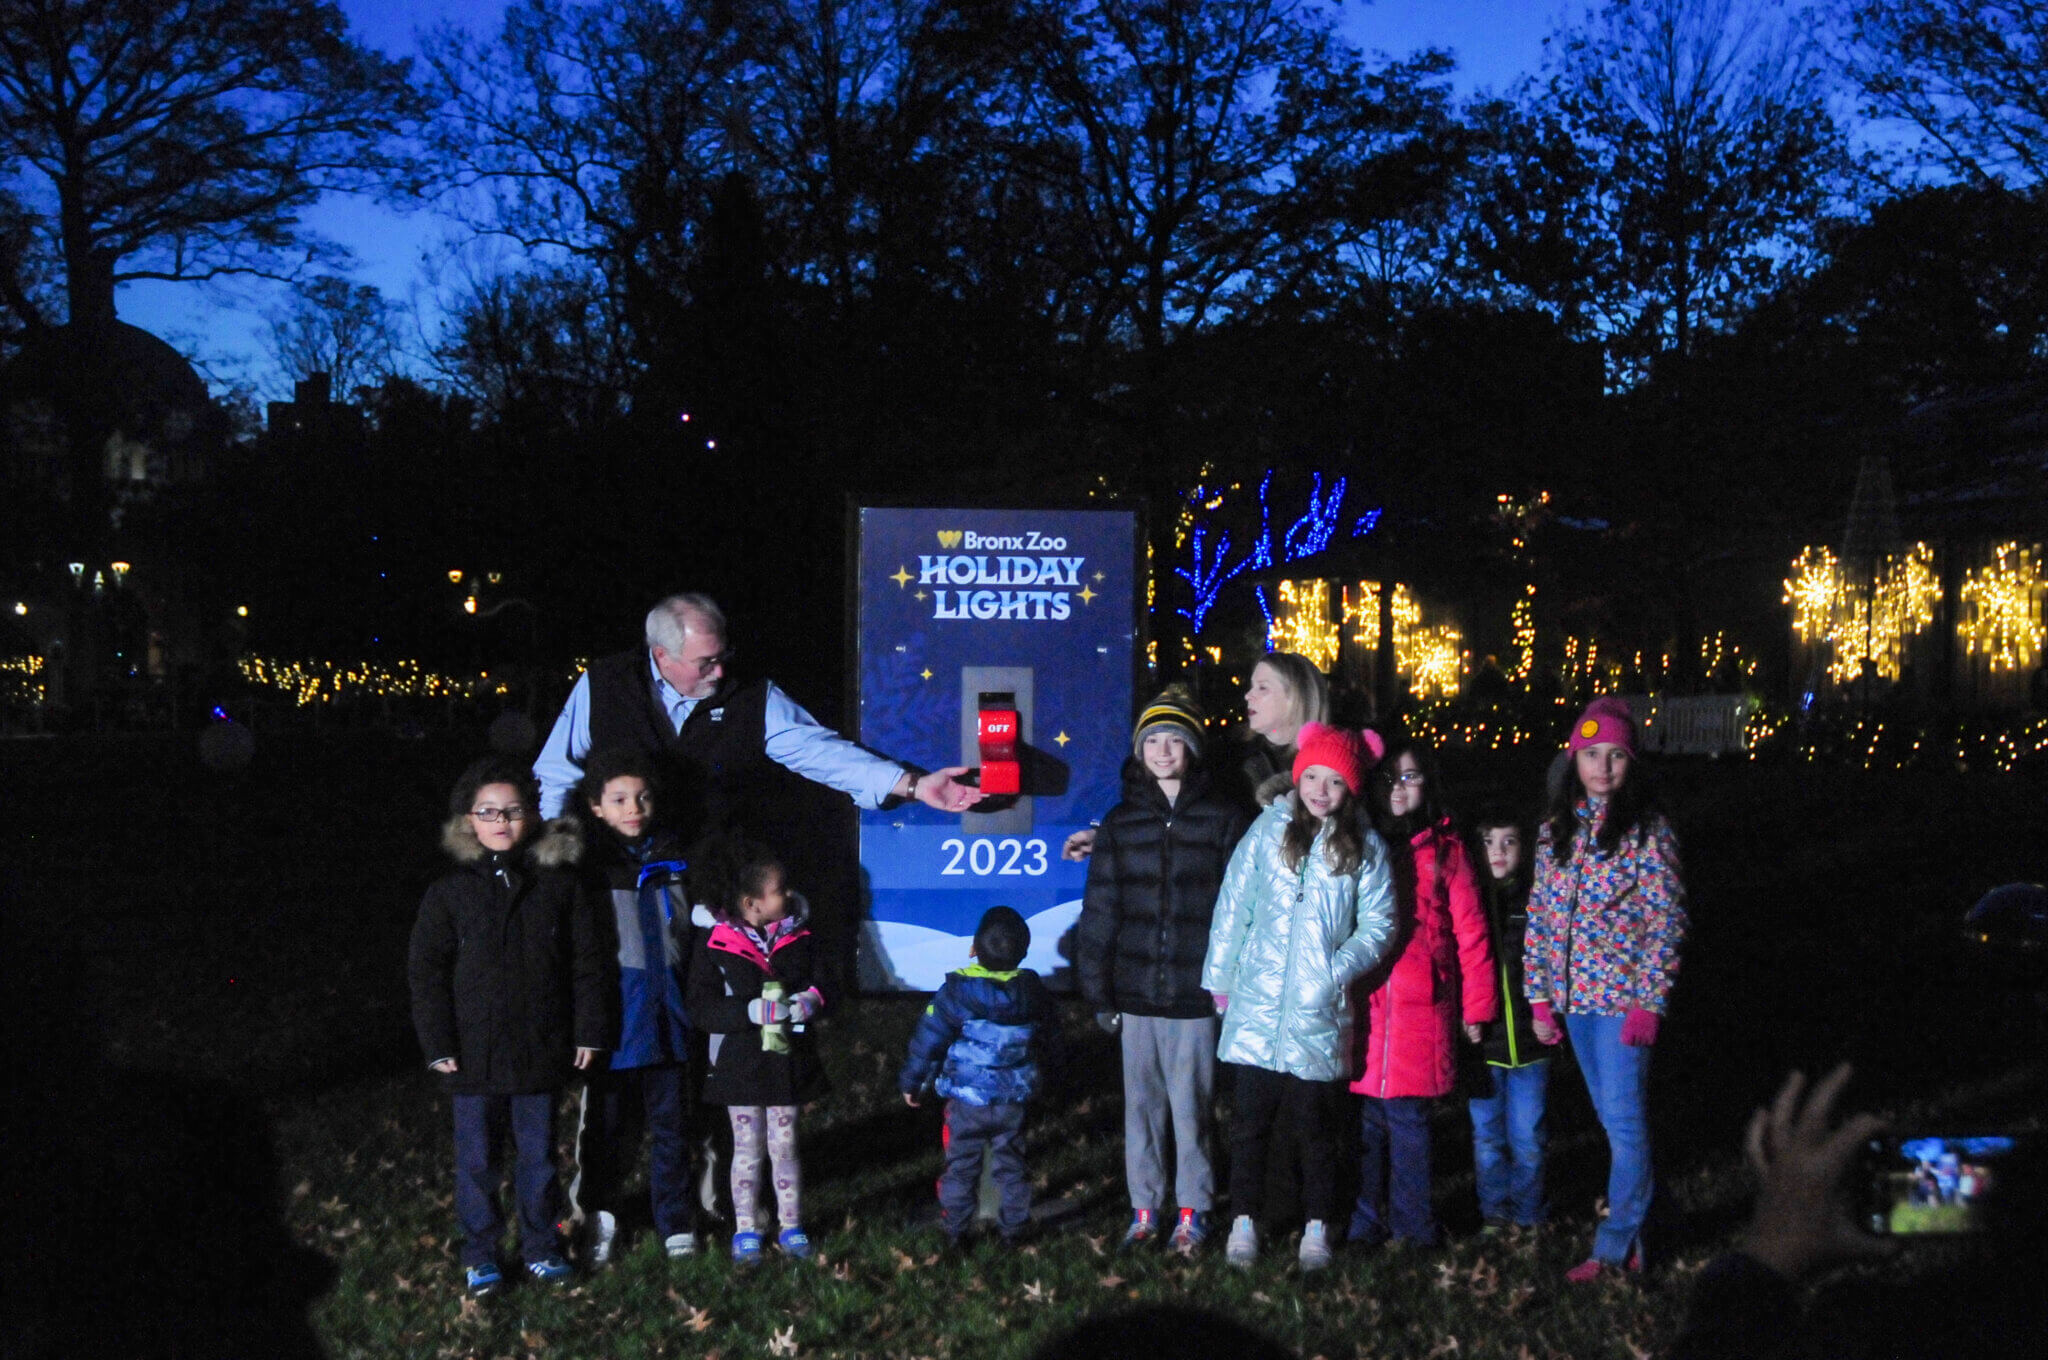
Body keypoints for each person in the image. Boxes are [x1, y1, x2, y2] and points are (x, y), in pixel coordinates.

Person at [407, 758, 608, 1296]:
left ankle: (542, 1246)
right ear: (469, 820)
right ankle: (482, 1254)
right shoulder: (449, 892)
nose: (501, 821)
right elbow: (426, 972)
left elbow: (587, 963)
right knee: (477, 1161)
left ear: (533, 816)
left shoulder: (558, 886)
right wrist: (438, 1043)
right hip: (472, 1054)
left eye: (513, 811)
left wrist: (588, 1030)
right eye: (488, 812)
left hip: (540, 1047)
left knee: (539, 1157)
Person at [1201, 723, 1396, 1272]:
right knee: (1250, 1124)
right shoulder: (1267, 831)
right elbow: (1234, 904)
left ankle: (1316, 1226)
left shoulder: (1364, 847)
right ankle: (1244, 1220)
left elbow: (1378, 924)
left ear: (1350, 790)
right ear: (1298, 775)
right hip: (1257, 1007)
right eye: (1312, 776)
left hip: (1317, 1011)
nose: (1320, 790)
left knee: (1316, 1129)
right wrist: (1222, 979)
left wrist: (1337, 970)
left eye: (1335, 782)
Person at [533, 593, 983, 827]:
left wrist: (913, 784)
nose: (720, 672)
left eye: (722, 655)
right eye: (705, 662)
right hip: (620, 866)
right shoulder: (604, 684)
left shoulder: (751, 693)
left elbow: (818, 750)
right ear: (662, 655)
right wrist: (553, 850)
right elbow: (556, 772)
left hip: (711, 862)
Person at [1073, 686, 1250, 1256]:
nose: (1164, 749)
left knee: (1191, 1106)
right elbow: (1101, 909)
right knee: (1141, 1107)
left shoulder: (1224, 818)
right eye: (1153, 739)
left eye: (1175, 739)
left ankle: (1194, 1208)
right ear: (1140, 749)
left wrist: (1231, 982)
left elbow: (1239, 905)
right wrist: (1098, 988)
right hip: (1135, 993)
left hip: (1196, 996)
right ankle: (1145, 1207)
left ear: (1193, 749)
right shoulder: (1122, 823)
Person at [1523, 695, 1688, 1282]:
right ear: (1574, 759)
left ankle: (1612, 1248)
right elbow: (1541, 916)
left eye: (1616, 755)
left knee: (1624, 1125)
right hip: (1575, 1004)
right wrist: (1539, 995)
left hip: (1621, 1005)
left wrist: (1649, 999)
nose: (1603, 767)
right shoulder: (1555, 832)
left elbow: (1665, 920)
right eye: (1592, 754)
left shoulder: (1647, 831)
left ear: (1631, 763)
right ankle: (1651, 1229)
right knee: (1618, 1123)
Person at [1348, 735, 1497, 1250]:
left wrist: (1478, 1006)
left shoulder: (1447, 851)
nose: (1399, 788)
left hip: (1421, 1012)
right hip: (1367, 1008)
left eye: (1410, 776)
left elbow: (1472, 932)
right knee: (1366, 1127)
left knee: (1409, 1127)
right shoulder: (1363, 844)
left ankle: (1415, 1226)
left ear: (1427, 783)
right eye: (1389, 777)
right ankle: (1365, 1221)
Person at [564, 747, 700, 1267]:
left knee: (672, 1128)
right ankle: (599, 1217)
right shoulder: (588, 870)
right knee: (607, 1133)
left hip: (670, 1022)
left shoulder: (677, 859)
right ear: (596, 807)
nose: (633, 807)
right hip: (617, 1025)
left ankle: (676, 1222)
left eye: (641, 796)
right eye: (618, 799)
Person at [684, 836, 828, 1266]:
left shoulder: (801, 937)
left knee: (785, 1146)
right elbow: (700, 1006)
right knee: (746, 1149)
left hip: (786, 1065)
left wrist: (811, 1000)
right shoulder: (715, 945)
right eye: (779, 890)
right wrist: (746, 1010)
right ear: (753, 903)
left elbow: (826, 980)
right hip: (740, 1068)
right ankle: (746, 1228)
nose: (788, 894)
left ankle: (792, 1226)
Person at [899, 906, 1061, 1247]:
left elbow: (928, 1040)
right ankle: (1013, 1230)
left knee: (960, 1166)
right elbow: (1050, 1042)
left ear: (973, 948)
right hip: (1012, 1101)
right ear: (1024, 951)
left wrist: (913, 1083)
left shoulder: (957, 993)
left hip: (965, 1102)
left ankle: (956, 1231)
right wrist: (1048, 1079)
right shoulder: (1033, 995)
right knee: (1012, 1166)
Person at [1464, 804, 1551, 1232]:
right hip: (1485, 1048)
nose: (1497, 852)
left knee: (1529, 1138)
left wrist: (1547, 1011)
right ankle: (1495, 1213)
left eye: (1509, 842)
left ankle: (1530, 1213)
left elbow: (1549, 964)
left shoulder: (1535, 899)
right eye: (1488, 842)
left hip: (1531, 1046)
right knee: (1487, 1138)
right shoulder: (1471, 902)